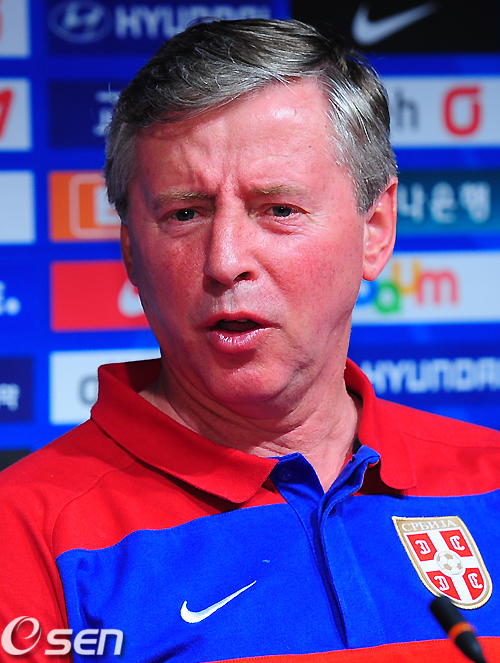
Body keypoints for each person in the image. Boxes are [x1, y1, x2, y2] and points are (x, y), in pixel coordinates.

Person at [1, 18, 500, 663]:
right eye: (185, 213)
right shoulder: (25, 532)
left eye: (278, 210)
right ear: (130, 250)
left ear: (375, 229)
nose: (225, 260)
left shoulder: (490, 475)